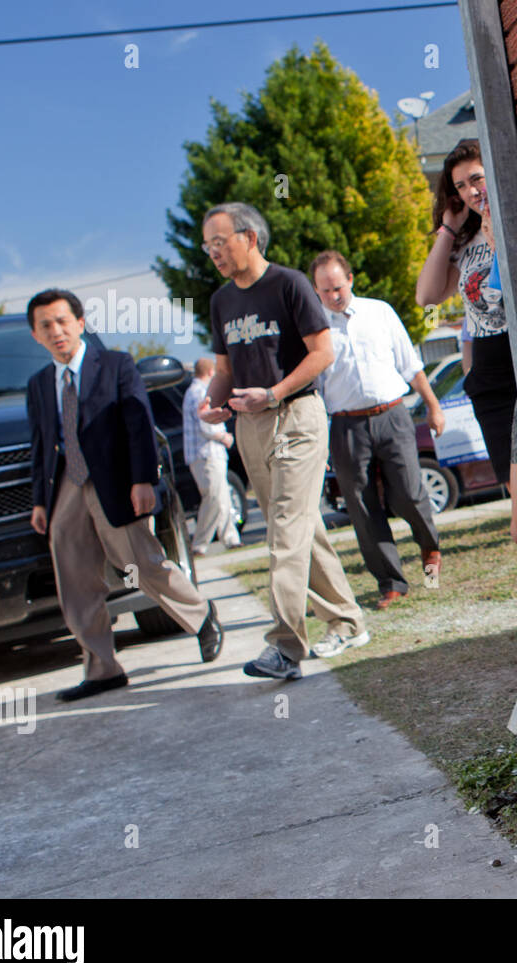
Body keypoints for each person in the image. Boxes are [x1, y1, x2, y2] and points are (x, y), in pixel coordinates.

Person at [26, 288, 224, 701]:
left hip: (115, 480)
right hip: (66, 485)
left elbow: (138, 421)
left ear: (81, 324)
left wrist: (143, 480)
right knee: (75, 578)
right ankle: (102, 669)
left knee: (141, 563)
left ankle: (201, 615)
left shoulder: (115, 365)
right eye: (46, 325)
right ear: (35, 335)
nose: (56, 331)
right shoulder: (41, 384)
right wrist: (40, 503)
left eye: (63, 321)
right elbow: (41, 445)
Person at [197, 202, 369, 676]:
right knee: (300, 528)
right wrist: (213, 401)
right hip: (248, 424)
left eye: (220, 241)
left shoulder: (289, 284)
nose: (213, 252)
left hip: (296, 415)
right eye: (207, 245)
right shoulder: (221, 301)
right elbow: (226, 368)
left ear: (249, 238)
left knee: (284, 532)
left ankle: (286, 648)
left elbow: (322, 353)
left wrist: (272, 392)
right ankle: (348, 620)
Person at [415, 139, 517, 654]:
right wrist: (450, 226)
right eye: (460, 186)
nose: (471, 191)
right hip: (489, 384)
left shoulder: (516, 215)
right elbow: (428, 295)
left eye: (476, 178)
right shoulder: (465, 238)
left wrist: (498, 229)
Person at [310, 249, 445, 609]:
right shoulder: (315, 330)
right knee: (362, 506)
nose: (333, 296)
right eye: (324, 291)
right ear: (316, 291)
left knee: (408, 493)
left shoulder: (379, 312)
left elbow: (410, 364)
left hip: (393, 414)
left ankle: (429, 547)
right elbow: (317, 389)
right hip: (346, 426)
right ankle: (391, 582)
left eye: (338, 287)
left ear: (350, 280)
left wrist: (433, 405)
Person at [182, 357, 241, 555]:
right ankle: (199, 544)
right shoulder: (200, 392)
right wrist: (225, 437)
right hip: (206, 453)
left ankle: (231, 538)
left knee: (223, 496)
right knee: (214, 497)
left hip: (208, 454)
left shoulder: (193, 391)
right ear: (210, 372)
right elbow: (206, 424)